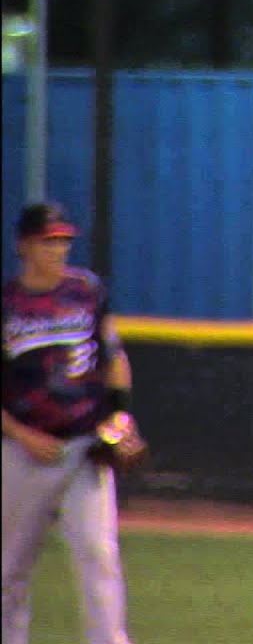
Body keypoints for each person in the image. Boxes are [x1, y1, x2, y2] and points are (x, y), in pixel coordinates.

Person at [2, 202, 136, 644]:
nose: (58, 249)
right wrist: (22, 435)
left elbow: (113, 357)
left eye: (63, 240)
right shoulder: (8, 305)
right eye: (48, 241)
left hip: (83, 445)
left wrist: (120, 418)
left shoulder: (86, 291)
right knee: (9, 567)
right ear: (24, 245)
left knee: (99, 555)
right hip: (22, 450)